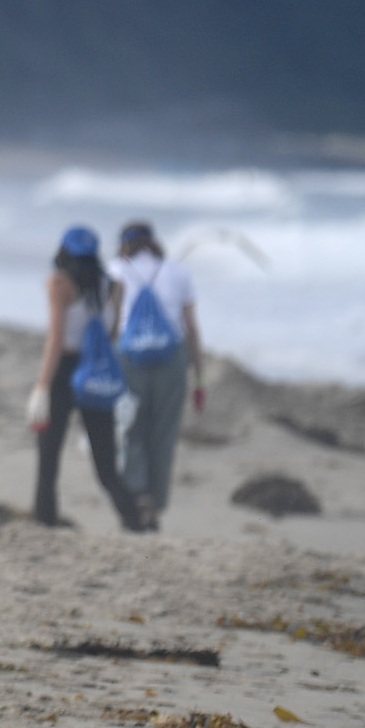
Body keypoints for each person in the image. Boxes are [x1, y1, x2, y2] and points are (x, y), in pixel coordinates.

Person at [29, 225, 142, 531]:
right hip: (97, 371)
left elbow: (55, 339)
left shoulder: (59, 283)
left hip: (65, 370)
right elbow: (112, 333)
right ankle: (135, 522)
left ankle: (45, 520)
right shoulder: (113, 286)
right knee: (105, 463)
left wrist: (41, 387)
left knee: (49, 456)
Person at [108, 221, 204, 531]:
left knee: (132, 426)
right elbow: (191, 327)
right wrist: (199, 375)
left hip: (129, 357)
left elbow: (111, 324)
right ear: (153, 242)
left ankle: (137, 493)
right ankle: (156, 500)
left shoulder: (116, 270)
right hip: (171, 358)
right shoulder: (178, 272)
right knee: (163, 432)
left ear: (125, 244)